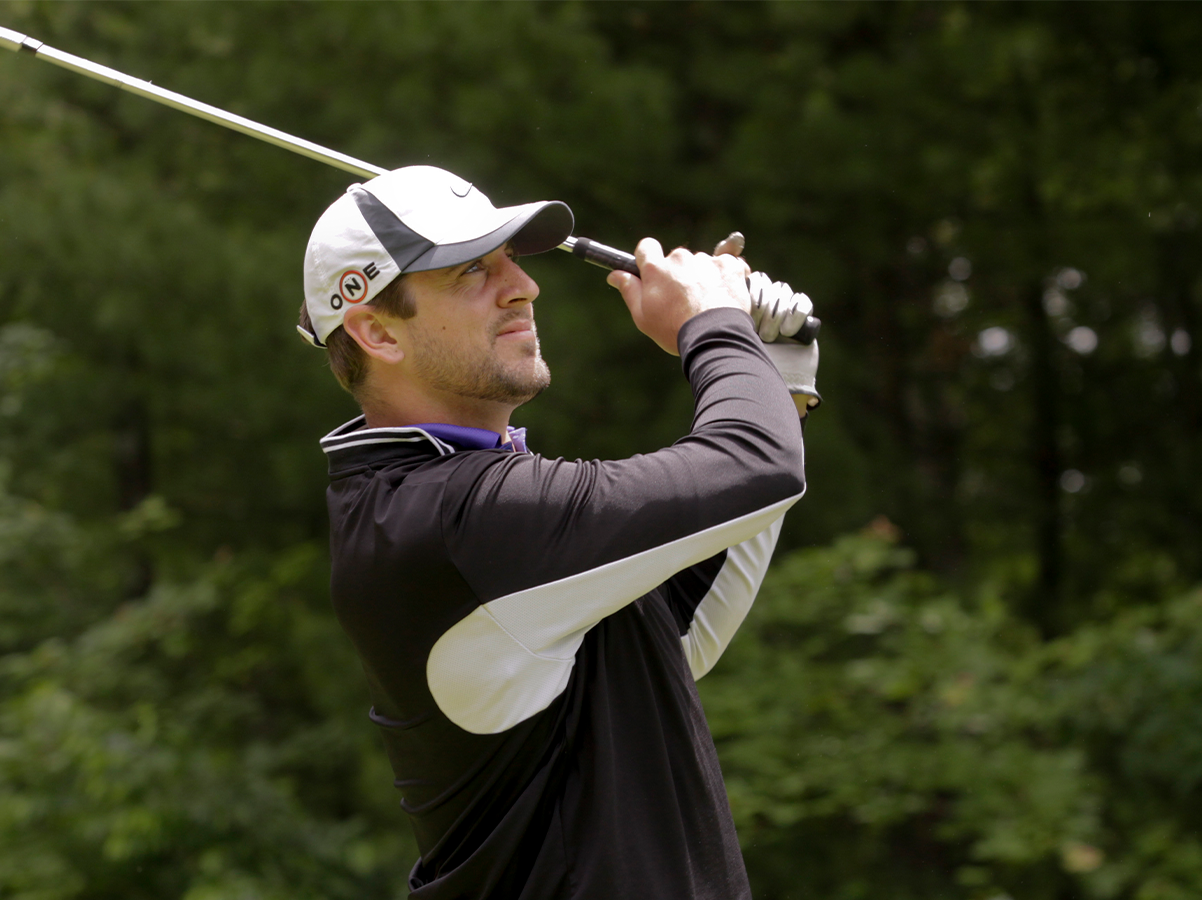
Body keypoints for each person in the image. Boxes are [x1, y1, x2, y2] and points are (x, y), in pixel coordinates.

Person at [296, 166, 819, 899]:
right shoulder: (453, 521)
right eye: (473, 270)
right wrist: (714, 326)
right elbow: (756, 465)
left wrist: (777, 378)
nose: (522, 286)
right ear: (377, 332)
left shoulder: (446, 502)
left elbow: (672, 638)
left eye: (510, 258)